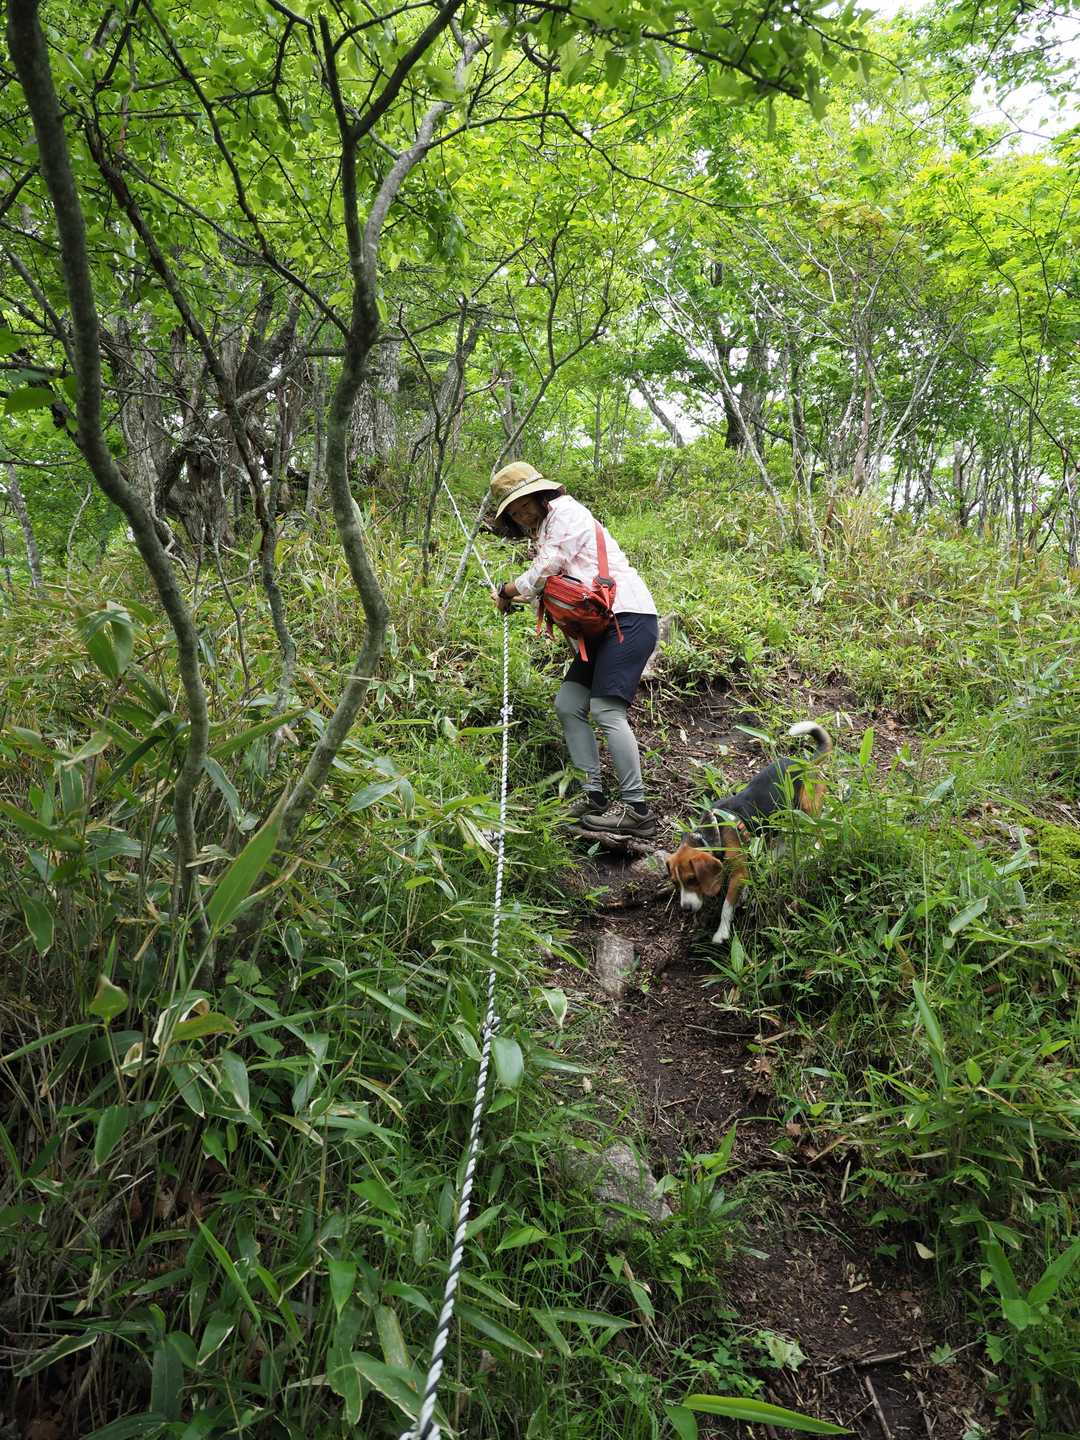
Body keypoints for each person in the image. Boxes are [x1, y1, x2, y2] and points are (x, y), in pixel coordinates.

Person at [489, 461, 659, 839]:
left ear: (540, 495)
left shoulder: (565, 512)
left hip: (627, 617)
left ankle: (637, 810)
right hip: (600, 628)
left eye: (524, 505)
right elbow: (555, 586)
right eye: (514, 512)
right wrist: (515, 596)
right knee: (568, 704)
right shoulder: (546, 529)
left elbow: (547, 569)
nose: (522, 514)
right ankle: (593, 795)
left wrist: (506, 590)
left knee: (606, 709)